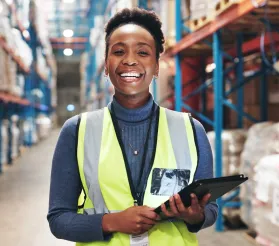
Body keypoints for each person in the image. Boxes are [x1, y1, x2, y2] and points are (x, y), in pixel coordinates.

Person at [47, 7, 218, 246]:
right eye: (118, 51)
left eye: (143, 52)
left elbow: (210, 210)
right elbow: (58, 219)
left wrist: (195, 216)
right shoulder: (77, 131)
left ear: (157, 66)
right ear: (106, 65)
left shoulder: (190, 130)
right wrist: (112, 222)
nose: (130, 60)